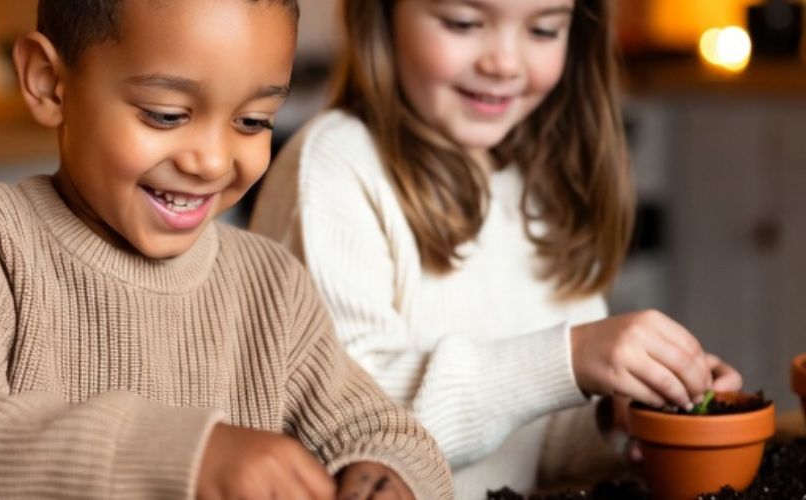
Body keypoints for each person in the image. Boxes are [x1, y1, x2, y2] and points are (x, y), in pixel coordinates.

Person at [0, 1, 455, 498]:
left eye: (253, 121)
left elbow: (385, 434)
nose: (213, 160)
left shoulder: (270, 287)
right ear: (48, 83)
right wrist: (184, 457)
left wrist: (384, 475)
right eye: (166, 115)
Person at [249, 0, 742, 497]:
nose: (505, 63)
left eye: (545, 30)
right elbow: (343, 428)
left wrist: (617, 415)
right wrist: (567, 358)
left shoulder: (542, 184)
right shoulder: (334, 166)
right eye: (464, 23)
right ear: (379, 14)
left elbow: (530, 444)